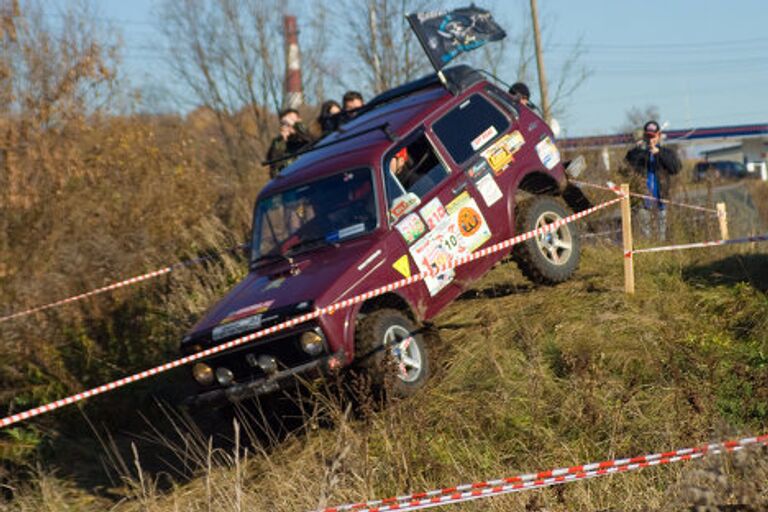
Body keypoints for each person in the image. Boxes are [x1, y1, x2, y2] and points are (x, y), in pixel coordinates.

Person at [624, 120, 681, 240]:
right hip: (642, 202)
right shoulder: (635, 153)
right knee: (646, 237)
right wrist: (641, 151)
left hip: (662, 202)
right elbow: (626, 169)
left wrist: (658, 154)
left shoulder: (666, 152)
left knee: (662, 236)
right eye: (648, 136)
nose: (651, 140)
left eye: (653, 137)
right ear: (644, 136)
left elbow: (675, 168)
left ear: (658, 136)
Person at [266, 108, 314, 178]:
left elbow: (311, 140)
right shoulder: (279, 142)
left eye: (292, 120)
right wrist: (282, 141)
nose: (290, 125)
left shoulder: (308, 136)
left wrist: (296, 127)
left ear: (299, 120)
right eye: (285, 123)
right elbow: (274, 168)